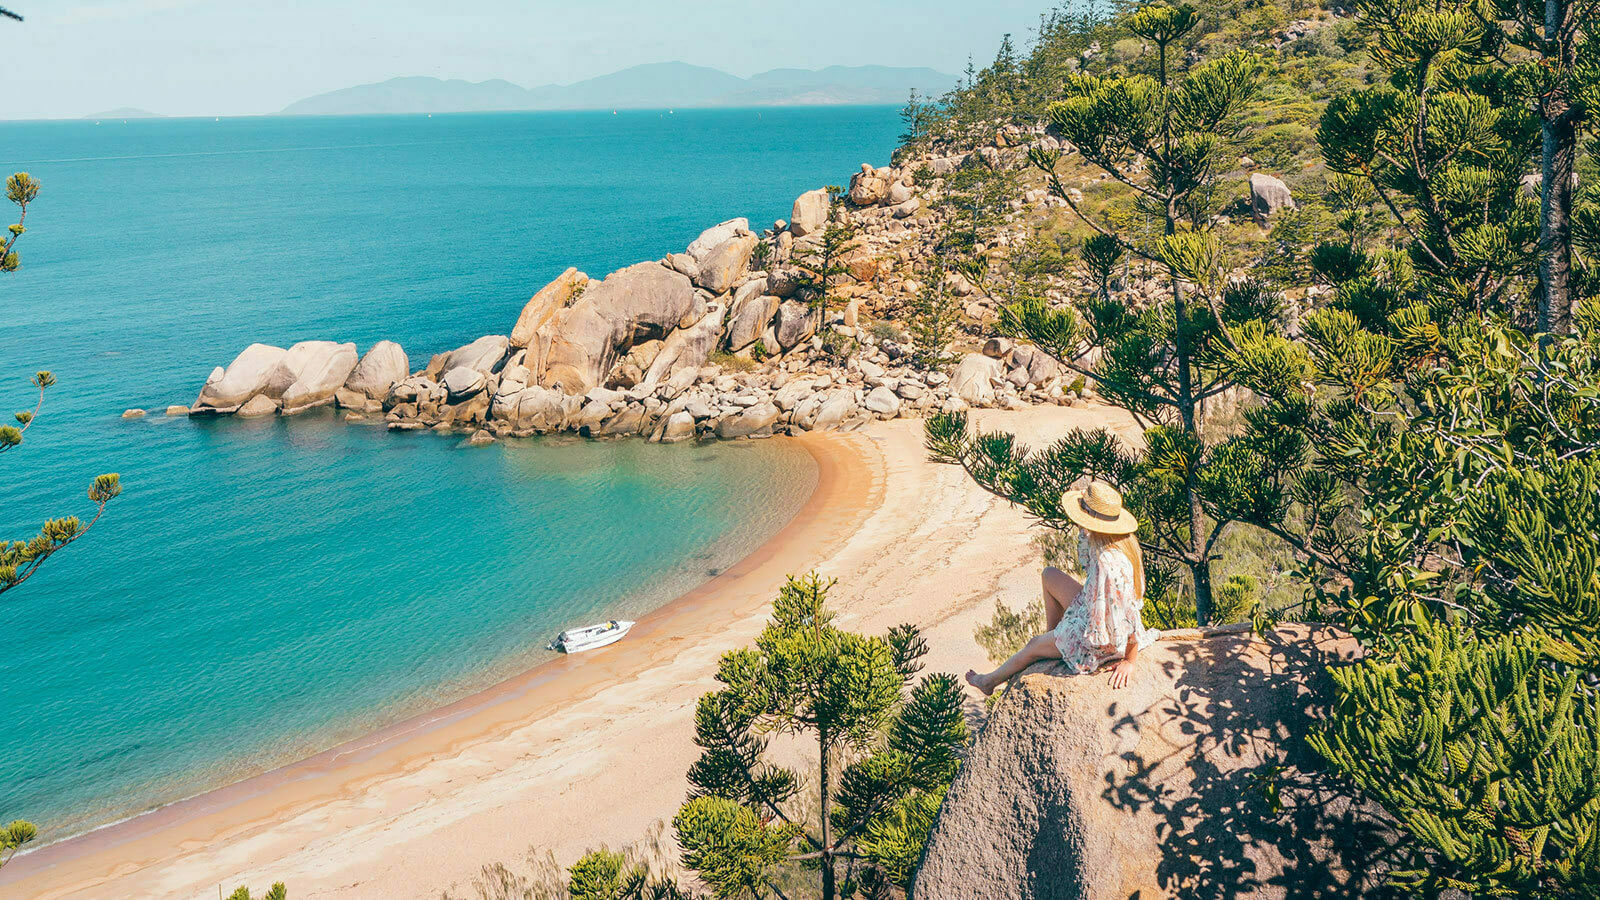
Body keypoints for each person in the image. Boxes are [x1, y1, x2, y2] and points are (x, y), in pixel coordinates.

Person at [966, 480, 1160, 694]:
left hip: (1103, 640)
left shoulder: (1108, 561)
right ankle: (1052, 641)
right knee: (1049, 575)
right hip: (1094, 610)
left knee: (1032, 646)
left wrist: (1130, 660)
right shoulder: (1122, 541)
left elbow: (1128, 613)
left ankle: (988, 681)